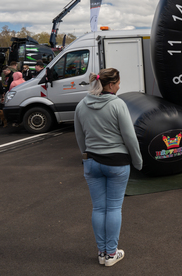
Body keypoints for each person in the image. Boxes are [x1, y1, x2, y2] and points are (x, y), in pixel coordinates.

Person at [74, 68, 143, 267]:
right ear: (111, 85)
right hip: (116, 163)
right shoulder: (117, 104)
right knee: (113, 208)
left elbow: (80, 137)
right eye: (119, 83)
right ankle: (112, 253)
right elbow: (129, 137)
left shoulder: (81, 105)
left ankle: (102, 252)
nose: (120, 86)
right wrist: (137, 161)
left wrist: (84, 155)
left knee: (98, 208)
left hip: (92, 161)